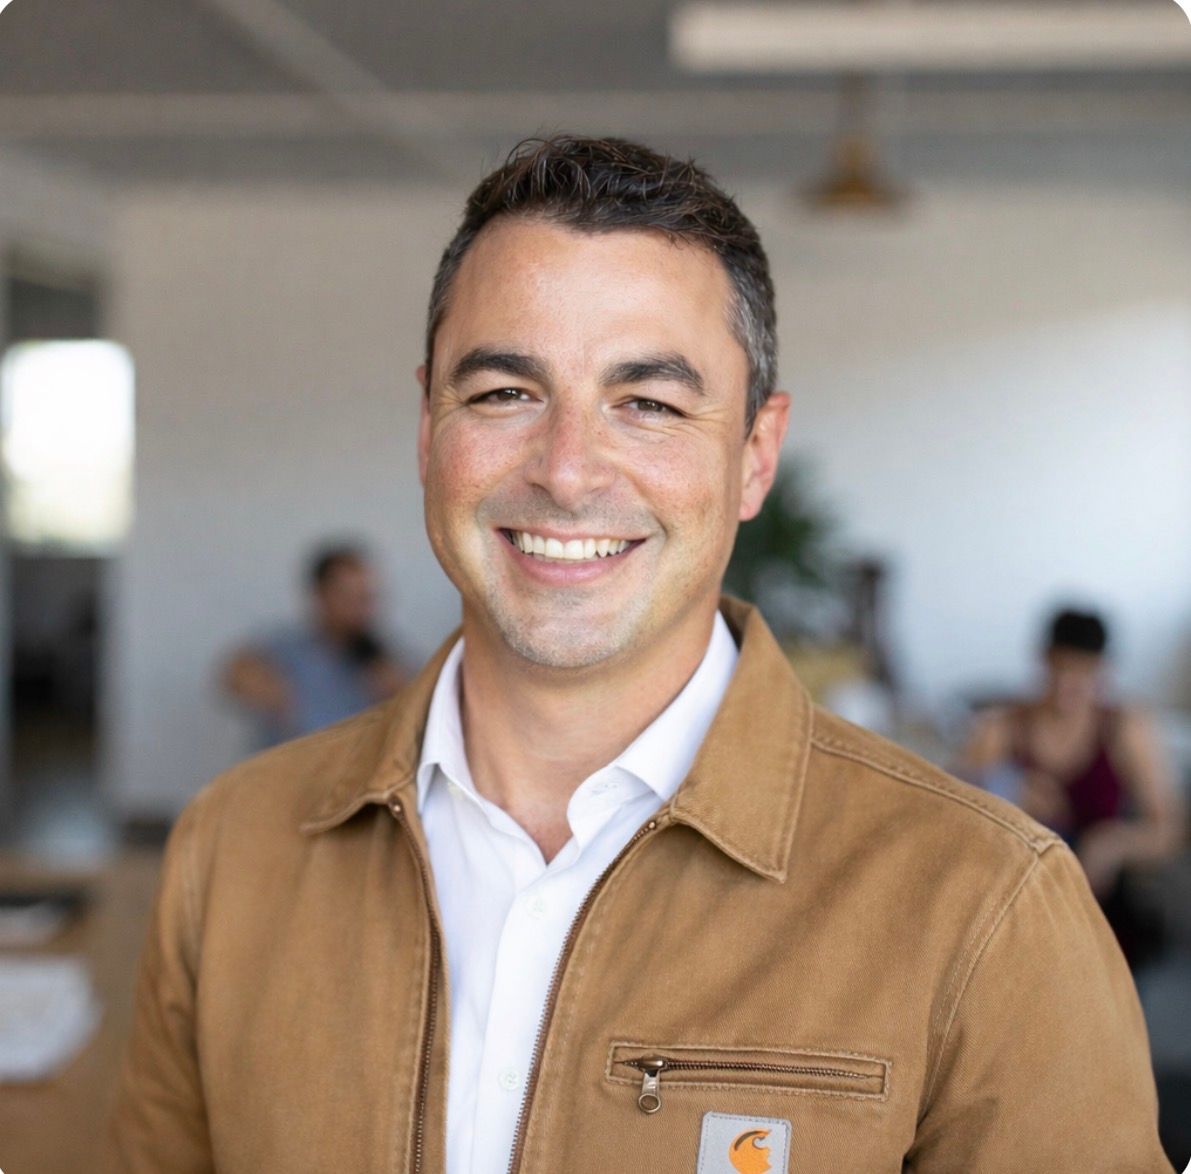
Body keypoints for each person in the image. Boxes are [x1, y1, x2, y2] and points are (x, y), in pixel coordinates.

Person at [104, 137, 1171, 1173]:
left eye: (649, 404)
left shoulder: (986, 905)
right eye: (504, 394)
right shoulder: (228, 856)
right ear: (428, 430)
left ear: (754, 457)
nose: (568, 472)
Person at [958, 607, 1183, 967]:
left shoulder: (1126, 729)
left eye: (1081, 674)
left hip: (1097, 914)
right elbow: (947, 800)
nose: (1066, 687)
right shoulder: (1001, 726)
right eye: (1058, 670)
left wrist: (1116, 842)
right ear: (1042, 661)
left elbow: (1168, 830)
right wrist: (1006, 786)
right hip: (1014, 911)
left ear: (1102, 672)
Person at [221, 543, 407, 747]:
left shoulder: (386, 659)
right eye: (347, 597)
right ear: (320, 595)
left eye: (365, 598)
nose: (359, 608)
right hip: (290, 770)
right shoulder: (287, 647)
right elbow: (236, 674)